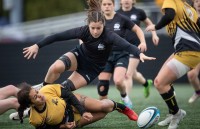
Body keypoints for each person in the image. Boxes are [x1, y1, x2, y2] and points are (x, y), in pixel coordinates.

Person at [23, 0, 155, 97]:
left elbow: (126, 45)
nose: (96, 31)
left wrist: (139, 53)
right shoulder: (83, 31)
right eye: (93, 28)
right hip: (79, 56)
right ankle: (43, 88)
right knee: (55, 67)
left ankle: (42, 98)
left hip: (92, 68)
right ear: (88, 25)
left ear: (104, 25)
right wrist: (37, 45)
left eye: (99, 28)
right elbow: (58, 36)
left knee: (63, 90)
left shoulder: (109, 35)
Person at [145, 0, 200, 129]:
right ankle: (172, 113)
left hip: (188, 52)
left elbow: (169, 15)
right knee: (164, 82)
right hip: (186, 51)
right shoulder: (188, 8)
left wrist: (155, 27)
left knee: (159, 83)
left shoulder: (171, 1)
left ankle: (177, 114)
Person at [16, 82, 138, 129]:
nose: (40, 95)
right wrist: (64, 126)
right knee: (103, 114)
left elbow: (69, 95)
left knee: (103, 107)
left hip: (72, 103)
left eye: (37, 92)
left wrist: (83, 111)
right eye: (35, 97)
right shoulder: (35, 119)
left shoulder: (46, 90)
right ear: (31, 104)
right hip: (70, 120)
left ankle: (123, 108)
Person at [96, 0, 147, 108]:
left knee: (118, 81)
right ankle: (103, 109)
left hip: (121, 54)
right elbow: (88, 33)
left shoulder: (121, 18)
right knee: (102, 87)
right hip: (105, 56)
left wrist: (142, 42)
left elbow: (138, 29)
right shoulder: (98, 20)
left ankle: (124, 96)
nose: (107, 6)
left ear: (114, 5)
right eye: (104, 4)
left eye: (109, 4)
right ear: (101, 6)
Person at [117, 0, 159, 98]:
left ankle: (126, 101)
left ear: (133, 1)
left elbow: (149, 23)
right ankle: (146, 83)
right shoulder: (116, 14)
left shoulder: (139, 12)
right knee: (133, 73)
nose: (126, 0)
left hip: (136, 46)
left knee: (128, 74)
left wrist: (154, 34)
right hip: (122, 48)